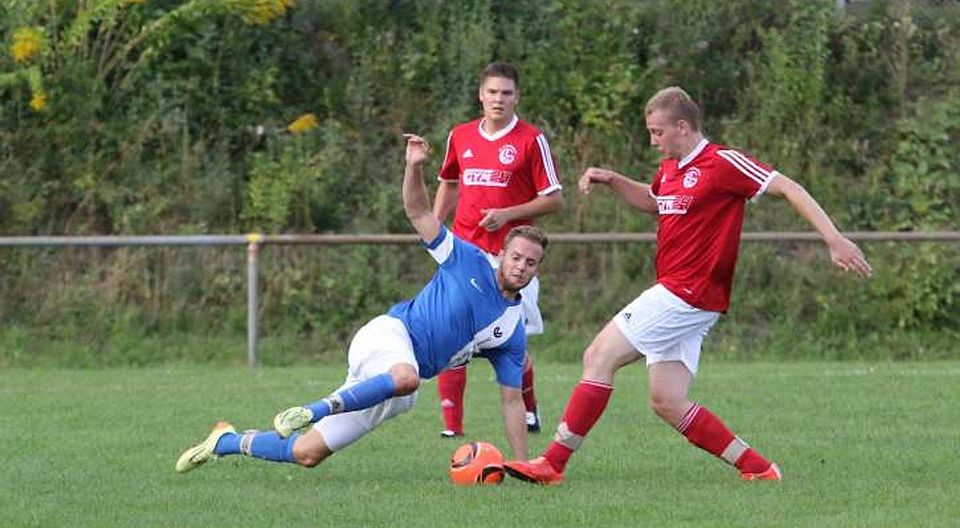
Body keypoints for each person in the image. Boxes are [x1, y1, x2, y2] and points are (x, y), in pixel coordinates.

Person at [503, 86, 872, 485]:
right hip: (685, 295)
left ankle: (552, 463)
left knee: (598, 356)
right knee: (667, 401)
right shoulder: (670, 169)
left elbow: (789, 187)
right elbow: (652, 200)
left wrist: (833, 238)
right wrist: (611, 179)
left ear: (683, 126)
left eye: (657, 132)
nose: (652, 140)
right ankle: (759, 469)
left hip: (686, 293)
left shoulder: (723, 163)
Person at [175, 134, 548, 473]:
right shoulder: (466, 259)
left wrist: (523, 464)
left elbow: (512, 400)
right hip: (388, 338)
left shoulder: (512, 331)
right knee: (406, 377)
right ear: (502, 254)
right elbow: (418, 213)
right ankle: (311, 410)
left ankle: (225, 441)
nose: (520, 266)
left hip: (399, 383)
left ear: (536, 270)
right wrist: (413, 166)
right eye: (515, 257)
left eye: (530, 262)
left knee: (307, 453)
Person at [433, 61, 564, 438]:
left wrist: (508, 214)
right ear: (480, 95)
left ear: (516, 97)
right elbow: (449, 182)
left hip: (512, 259)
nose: (498, 99)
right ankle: (451, 428)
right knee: (451, 331)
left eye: (506, 93)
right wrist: (435, 229)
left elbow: (554, 199)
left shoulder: (531, 139)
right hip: (464, 253)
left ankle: (529, 411)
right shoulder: (460, 136)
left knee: (509, 340)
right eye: (492, 92)